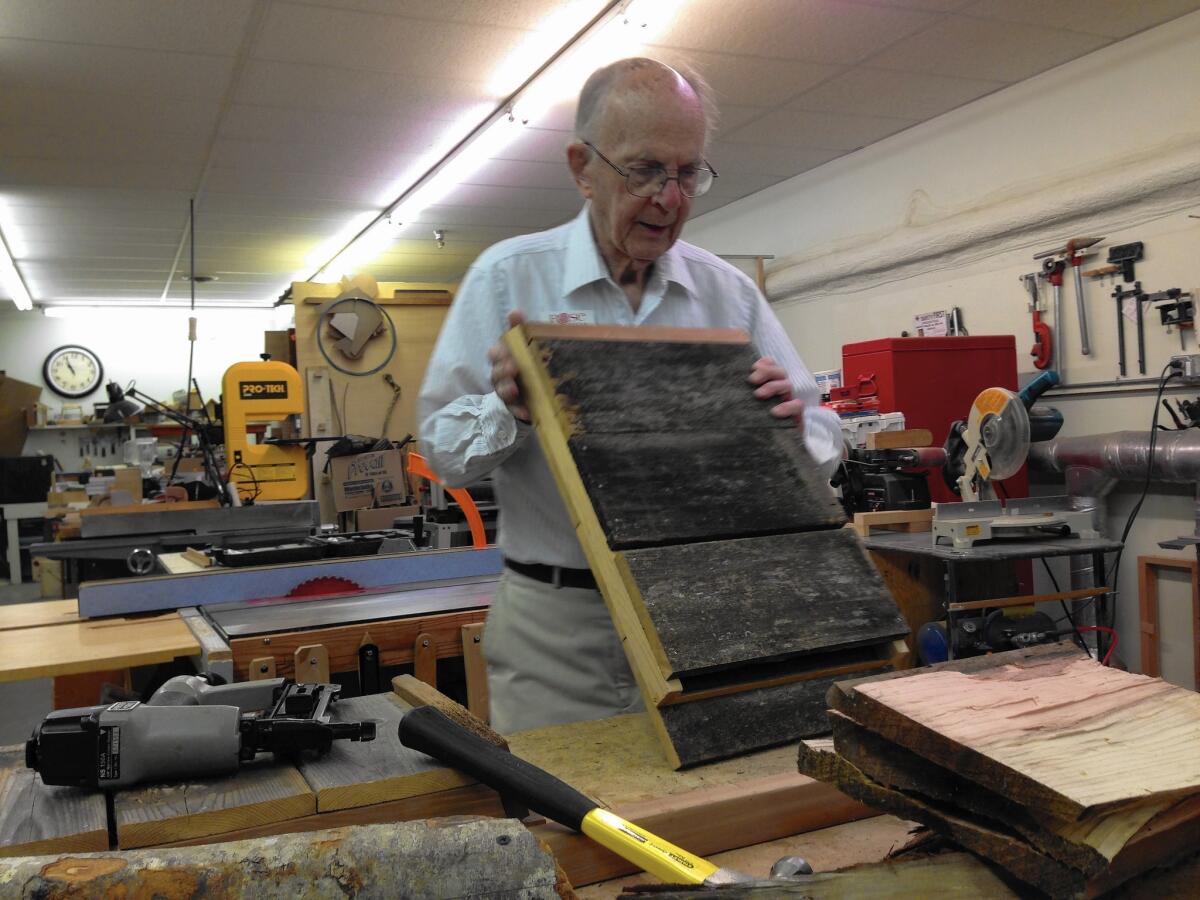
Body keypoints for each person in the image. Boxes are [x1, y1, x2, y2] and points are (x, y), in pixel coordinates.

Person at [418, 57, 842, 733]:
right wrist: (511, 411)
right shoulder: (507, 280)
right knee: (564, 824)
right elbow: (443, 454)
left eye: (687, 173)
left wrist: (790, 436)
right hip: (559, 632)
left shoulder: (727, 294)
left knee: (709, 820)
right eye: (644, 170)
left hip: (707, 610)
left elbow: (825, 438)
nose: (669, 198)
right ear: (582, 167)